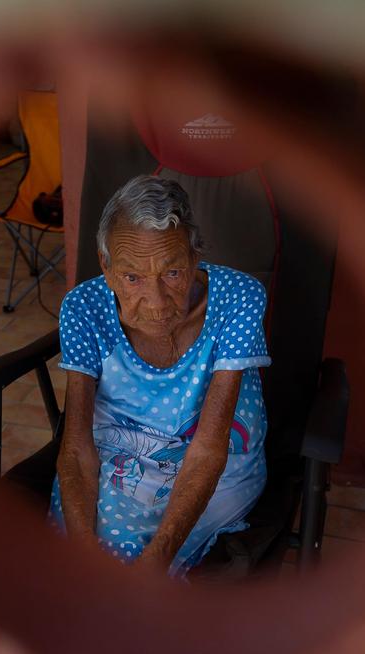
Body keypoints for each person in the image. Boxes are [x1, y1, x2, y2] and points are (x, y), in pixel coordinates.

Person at [50, 174, 270, 577]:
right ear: (107, 266)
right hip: (116, 457)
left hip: (212, 464)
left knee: (139, 568)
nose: (155, 301)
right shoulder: (84, 307)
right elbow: (78, 449)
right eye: (132, 278)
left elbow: (208, 450)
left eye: (171, 273)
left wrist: (155, 563)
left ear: (194, 257)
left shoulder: (239, 299)